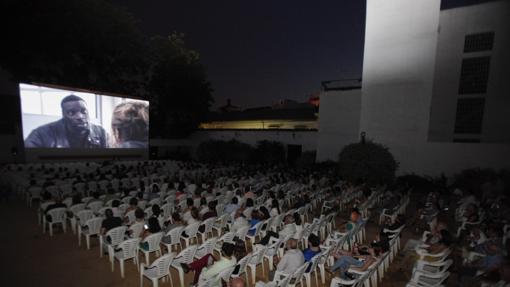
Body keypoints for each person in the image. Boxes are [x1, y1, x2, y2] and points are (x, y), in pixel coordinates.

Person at [25, 95, 107, 148]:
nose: (80, 117)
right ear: (63, 115)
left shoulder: (101, 132)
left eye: (83, 111)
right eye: (71, 113)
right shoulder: (40, 134)